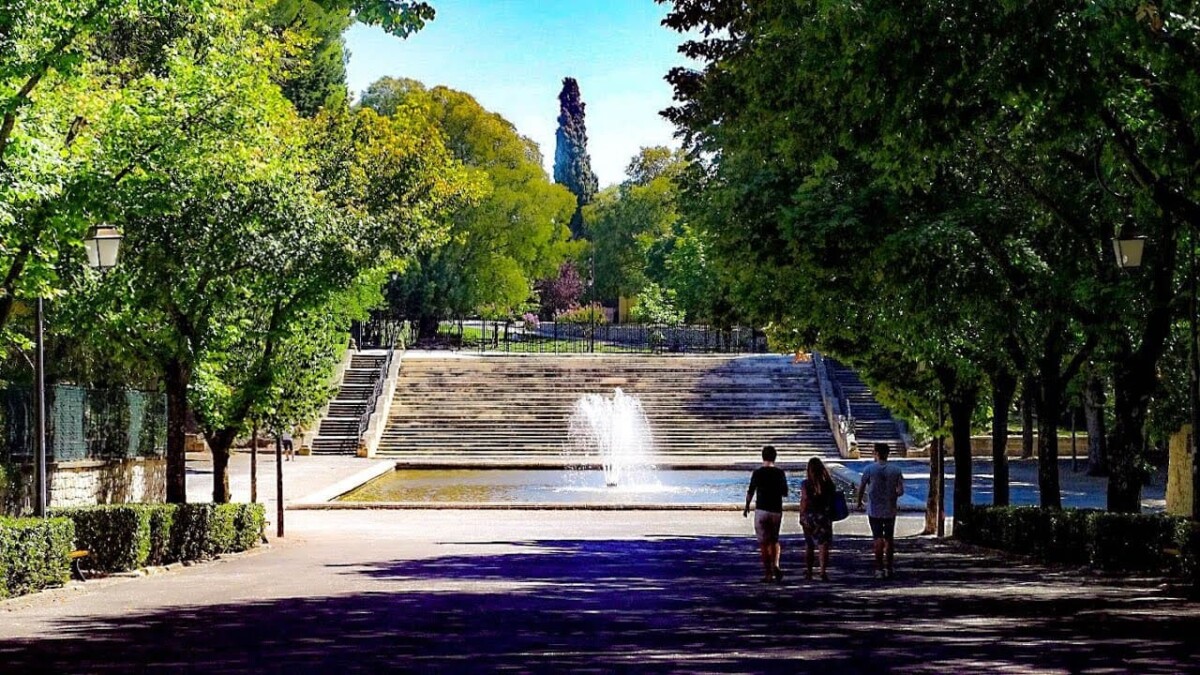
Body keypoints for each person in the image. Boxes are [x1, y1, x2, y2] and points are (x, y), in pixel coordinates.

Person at [856, 442, 905, 579]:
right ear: (888, 454)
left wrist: (859, 502)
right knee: (889, 539)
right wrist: (893, 494)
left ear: (876, 453)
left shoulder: (869, 469)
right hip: (890, 509)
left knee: (877, 538)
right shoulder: (896, 470)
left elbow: (861, 488)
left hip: (874, 509)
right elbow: (900, 491)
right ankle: (889, 568)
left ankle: (879, 569)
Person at [743, 445, 788, 582]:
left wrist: (746, 507)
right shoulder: (780, 473)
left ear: (763, 457)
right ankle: (776, 564)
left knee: (763, 542)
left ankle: (768, 574)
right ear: (775, 457)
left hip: (761, 510)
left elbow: (750, 491)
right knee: (774, 540)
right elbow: (785, 493)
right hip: (775, 510)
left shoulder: (757, 473)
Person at [798, 456, 836, 581]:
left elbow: (804, 500)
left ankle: (809, 572)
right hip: (824, 517)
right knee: (823, 545)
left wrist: (801, 515)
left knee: (809, 545)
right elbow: (831, 501)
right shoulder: (829, 484)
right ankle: (822, 571)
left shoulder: (806, 484)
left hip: (810, 516)